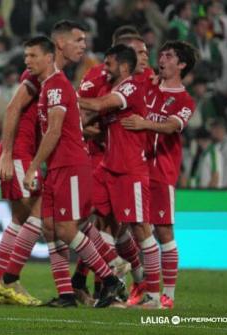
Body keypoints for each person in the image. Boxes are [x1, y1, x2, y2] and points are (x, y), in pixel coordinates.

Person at [21, 36, 125, 308]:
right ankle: (66, 294)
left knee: (67, 229)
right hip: (57, 167)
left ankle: (110, 280)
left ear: (48, 57)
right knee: (50, 228)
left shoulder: (55, 86)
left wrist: (32, 166)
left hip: (71, 166)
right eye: (26, 56)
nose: (27, 61)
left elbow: (54, 131)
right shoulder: (47, 87)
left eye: (32, 56)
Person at [79, 44, 163, 308]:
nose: (105, 66)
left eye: (110, 62)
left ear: (124, 67)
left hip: (130, 170)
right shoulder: (114, 89)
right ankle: (112, 275)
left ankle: (152, 293)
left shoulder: (130, 87)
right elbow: (99, 120)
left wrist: (66, 96)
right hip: (108, 168)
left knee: (141, 229)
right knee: (88, 217)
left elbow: (100, 105)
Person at [121, 40, 198, 309]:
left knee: (164, 232)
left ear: (181, 64)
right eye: (161, 54)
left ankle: (167, 296)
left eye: (168, 56)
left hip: (162, 173)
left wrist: (144, 123)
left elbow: (172, 126)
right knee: (137, 229)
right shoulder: (149, 86)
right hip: (136, 169)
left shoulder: (185, 100)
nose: (161, 59)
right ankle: (147, 291)